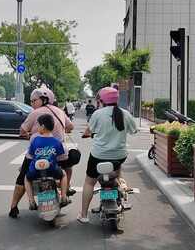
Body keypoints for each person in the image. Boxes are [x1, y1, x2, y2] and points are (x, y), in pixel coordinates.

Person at [9, 88, 78, 218]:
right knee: (67, 167)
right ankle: (66, 190)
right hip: (57, 154)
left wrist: (30, 135)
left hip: (37, 155)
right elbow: (70, 127)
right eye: (31, 101)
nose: (32, 104)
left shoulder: (35, 113)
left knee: (22, 177)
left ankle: (14, 207)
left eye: (34, 100)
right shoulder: (60, 111)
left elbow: (22, 131)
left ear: (44, 99)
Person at [77, 87, 138, 224]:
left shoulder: (97, 114)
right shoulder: (125, 114)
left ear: (101, 100)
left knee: (89, 182)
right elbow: (134, 130)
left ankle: (83, 215)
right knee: (118, 171)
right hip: (119, 155)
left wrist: (86, 134)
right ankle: (123, 188)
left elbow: (89, 130)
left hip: (98, 156)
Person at [24, 114, 69, 209]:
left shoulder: (35, 140)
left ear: (43, 127)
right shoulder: (57, 142)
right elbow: (61, 156)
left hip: (36, 171)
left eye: (38, 126)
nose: (37, 128)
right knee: (64, 174)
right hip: (51, 170)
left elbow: (31, 155)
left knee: (27, 179)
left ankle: (31, 201)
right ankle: (64, 197)